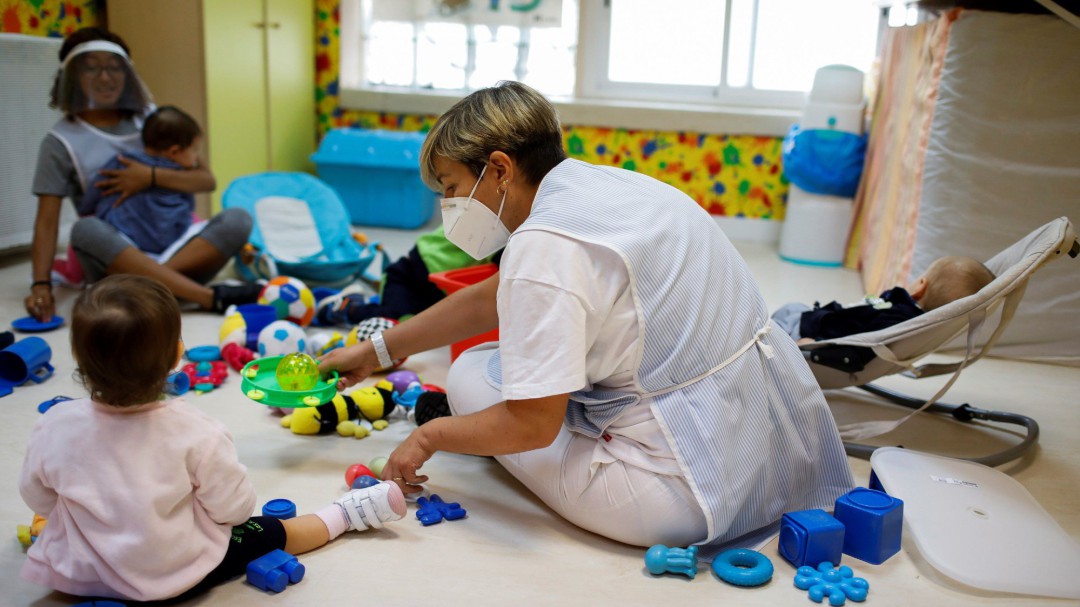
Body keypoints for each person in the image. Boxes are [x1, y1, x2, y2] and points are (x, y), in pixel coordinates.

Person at [320, 81, 854, 553]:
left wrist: (430, 437)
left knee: (467, 375)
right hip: (768, 442)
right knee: (493, 362)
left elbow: (532, 424)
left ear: (499, 169)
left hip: (682, 491)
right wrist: (377, 350)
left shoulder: (543, 246)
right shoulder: (610, 186)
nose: (449, 208)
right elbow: (494, 297)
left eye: (452, 188)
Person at [18, 275, 406, 602]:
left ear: (77, 355)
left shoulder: (55, 423)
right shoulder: (196, 431)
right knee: (270, 531)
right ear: (177, 354)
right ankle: (346, 515)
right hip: (174, 577)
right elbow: (235, 511)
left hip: (78, 575)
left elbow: (38, 497)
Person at [26, 27, 260, 323]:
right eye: (92, 68)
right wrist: (41, 285)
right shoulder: (60, 142)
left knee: (239, 219)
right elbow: (47, 222)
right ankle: (207, 297)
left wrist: (149, 176)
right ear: (72, 76)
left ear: (127, 74)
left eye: (114, 67)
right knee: (85, 230)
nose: (105, 78)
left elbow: (205, 180)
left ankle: (151, 289)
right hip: (118, 259)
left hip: (175, 250)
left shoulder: (153, 119)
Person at [772, 256, 996, 344]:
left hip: (808, 333)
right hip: (819, 320)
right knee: (792, 309)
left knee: (780, 320)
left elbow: (862, 344)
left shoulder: (898, 319)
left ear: (921, 286)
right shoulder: (910, 320)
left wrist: (815, 345)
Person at [315, 225, 500, 326]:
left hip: (439, 289)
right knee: (392, 322)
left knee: (427, 325)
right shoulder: (486, 220)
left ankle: (374, 301)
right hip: (408, 275)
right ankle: (348, 308)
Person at [84, 105, 204, 256]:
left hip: (126, 238)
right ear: (174, 151)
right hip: (168, 242)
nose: (196, 157)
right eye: (195, 150)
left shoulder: (123, 161)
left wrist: (85, 208)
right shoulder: (180, 175)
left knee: (89, 225)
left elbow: (95, 190)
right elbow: (189, 206)